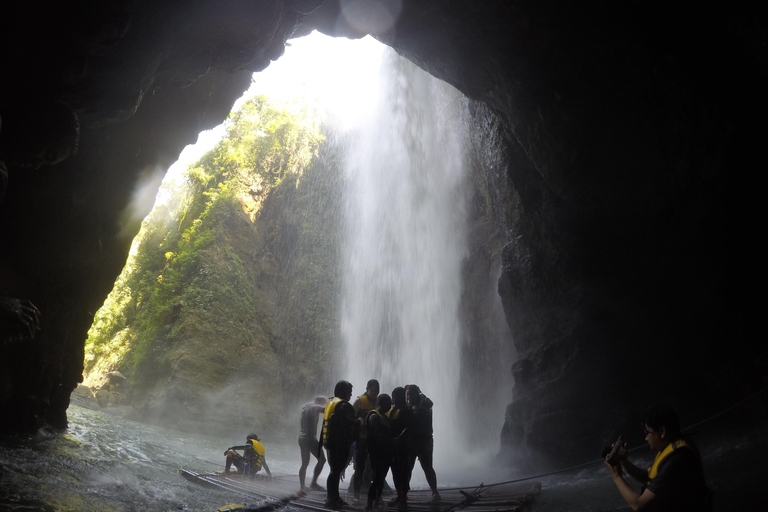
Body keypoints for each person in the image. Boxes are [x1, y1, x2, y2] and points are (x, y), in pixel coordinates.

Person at [604, 406, 710, 511]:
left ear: (662, 432)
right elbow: (648, 477)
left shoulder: (677, 459)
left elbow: (639, 505)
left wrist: (616, 476)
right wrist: (624, 461)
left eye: (647, 432)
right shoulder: (671, 446)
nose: (646, 438)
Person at [321, 380, 357, 509]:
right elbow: (348, 424)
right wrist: (359, 422)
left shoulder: (331, 402)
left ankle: (334, 496)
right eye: (349, 392)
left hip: (329, 442)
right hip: (339, 443)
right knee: (335, 471)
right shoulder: (343, 406)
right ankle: (331, 499)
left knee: (334, 471)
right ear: (343, 392)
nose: (351, 395)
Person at [405, 384, 440, 501]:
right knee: (408, 468)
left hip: (424, 440)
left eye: (412, 394)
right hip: (412, 441)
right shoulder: (407, 405)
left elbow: (429, 403)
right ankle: (403, 493)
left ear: (417, 393)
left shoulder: (424, 403)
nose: (409, 396)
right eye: (408, 394)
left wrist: (420, 395)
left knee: (427, 467)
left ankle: (435, 491)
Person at [351, 379, 379, 499]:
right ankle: (356, 494)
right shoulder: (359, 402)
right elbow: (350, 418)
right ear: (367, 389)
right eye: (372, 390)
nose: (374, 393)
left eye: (377, 391)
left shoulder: (379, 402)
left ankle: (376, 495)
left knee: (375, 468)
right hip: (361, 440)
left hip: (374, 440)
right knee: (359, 467)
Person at [365, 394, 394, 512]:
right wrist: (389, 441)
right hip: (376, 451)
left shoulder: (384, 417)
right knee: (377, 476)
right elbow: (375, 433)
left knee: (381, 476)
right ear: (380, 403)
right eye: (387, 403)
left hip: (385, 451)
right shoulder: (374, 416)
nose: (389, 406)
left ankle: (377, 499)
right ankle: (369, 503)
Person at [388, 386, 413, 508]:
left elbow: (409, 427)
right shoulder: (393, 411)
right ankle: (399, 495)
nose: (394, 399)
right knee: (395, 472)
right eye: (393, 397)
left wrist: (399, 438)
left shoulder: (407, 410)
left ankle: (403, 497)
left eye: (396, 397)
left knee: (404, 472)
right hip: (394, 446)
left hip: (404, 446)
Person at [299, 395, 328, 493]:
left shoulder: (305, 406)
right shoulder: (315, 407)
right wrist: (332, 403)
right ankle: (313, 483)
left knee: (305, 463)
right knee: (322, 460)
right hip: (310, 438)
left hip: (302, 437)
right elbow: (325, 409)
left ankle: (302, 486)